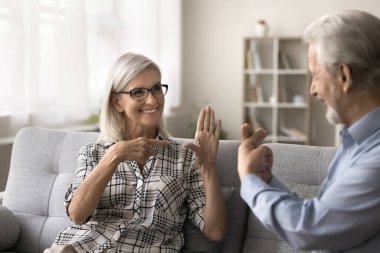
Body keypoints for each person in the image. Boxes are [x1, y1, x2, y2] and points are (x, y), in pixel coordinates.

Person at [45, 52, 227, 253]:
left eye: (156, 88)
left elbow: (215, 231)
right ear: (117, 102)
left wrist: (208, 166)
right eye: (138, 92)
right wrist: (114, 155)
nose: (152, 100)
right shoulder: (93, 153)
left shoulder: (185, 157)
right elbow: (77, 215)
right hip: (82, 247)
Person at [237, 9, 380, 252]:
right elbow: (323, 214)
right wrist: (266, 181)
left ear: (344, 76)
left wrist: (249, 179)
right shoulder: (354, 142)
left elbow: (310, 229)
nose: (312, 90)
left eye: (315, 75)